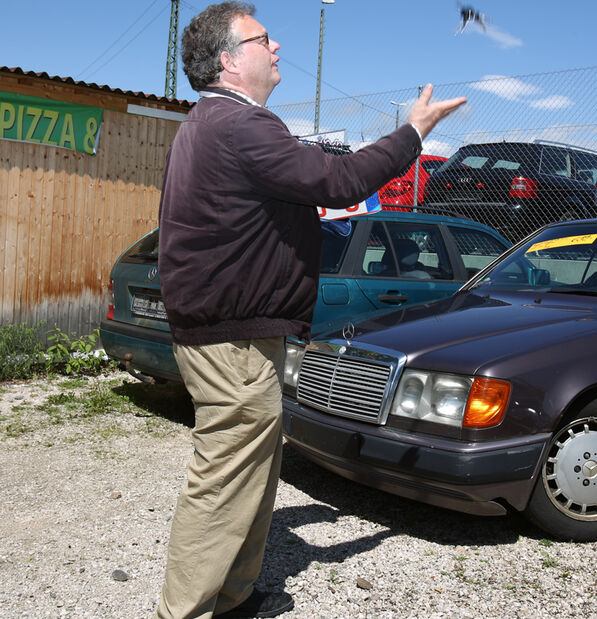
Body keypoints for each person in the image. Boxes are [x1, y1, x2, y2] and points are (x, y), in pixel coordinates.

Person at [153, 3, 466, 618]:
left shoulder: (212, 124)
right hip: (231, 342)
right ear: (228, 60)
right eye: (263, 39)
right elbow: (340, 181)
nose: (276, 47)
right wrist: (413, 133)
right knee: (224, 478)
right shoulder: (241, 126)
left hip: (235, 333)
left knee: (252, 470)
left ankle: (233, 596)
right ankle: (183, 613)